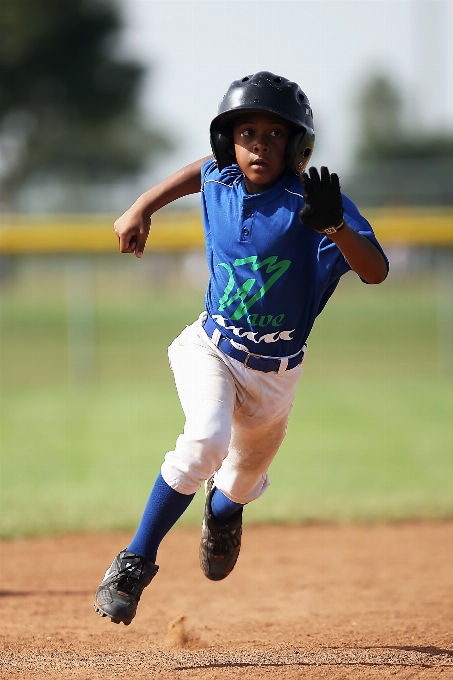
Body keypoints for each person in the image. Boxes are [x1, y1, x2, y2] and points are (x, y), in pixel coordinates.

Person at [93, 71, 389, 626]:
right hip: (211, 347)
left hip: (276, 377)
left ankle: (223, 513)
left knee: (238, 483)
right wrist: (141, 206)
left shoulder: (316, 204)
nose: (258, 144)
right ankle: (134, 561)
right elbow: (197, 174)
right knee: (205, 438)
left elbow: (376, 271)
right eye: (245, 131)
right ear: (227, 141)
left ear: (297, 145)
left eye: (274, 134)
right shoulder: (222, 182)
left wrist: (336, 230)